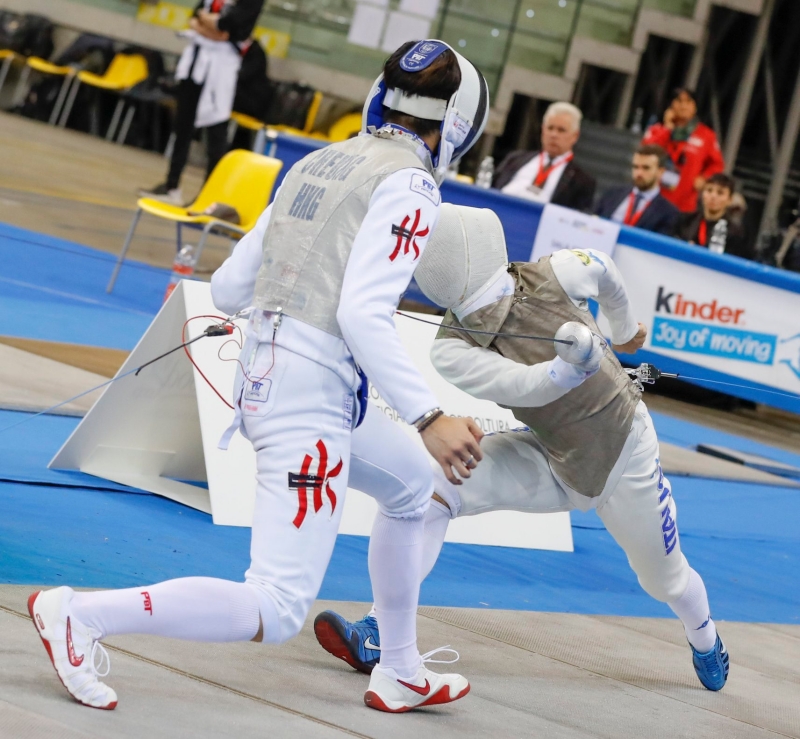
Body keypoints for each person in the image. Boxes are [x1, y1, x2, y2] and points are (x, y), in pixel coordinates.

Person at [27, 40, 490, 714]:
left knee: (414, 484)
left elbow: (229, 285)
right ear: (457, 127)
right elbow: (363, 312)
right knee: (276, 605)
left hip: (280, 378)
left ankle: (400, 667)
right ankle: (81, 613)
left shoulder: (318, 161)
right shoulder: (412, 184)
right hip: (312, 396)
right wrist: (430, 416)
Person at [314, 203, 730, 694]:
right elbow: (526, 386)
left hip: (623, 454)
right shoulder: (452, 346)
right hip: (551, 456)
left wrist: (622, 329)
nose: (495, 308)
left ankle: (705, 638)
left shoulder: (555, 270)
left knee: (665, 580)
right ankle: (383, 630)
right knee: (432, 491)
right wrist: (571, 366)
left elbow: (607, 270)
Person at [140, 0, 264, 205]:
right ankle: (171, 186)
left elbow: (226, 29)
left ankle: (209, 196)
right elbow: (195, 17)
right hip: (197, 63)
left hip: (221, 69)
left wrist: (207, 24)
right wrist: (208, 24)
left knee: (216, 131)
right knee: (183, 124)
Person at [492, 102, 596, 212]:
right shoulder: (515, 159)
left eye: (561, 130)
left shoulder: (582, 181)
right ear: (543, 130)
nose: (554, 135)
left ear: (575, 136)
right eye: (550, 128)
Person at [642, 88, 724, 213]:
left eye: (688, 101)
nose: (683, 105)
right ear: (670, 105)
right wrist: (667, 128)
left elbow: (717, 165)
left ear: (695, 107)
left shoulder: (706, 135)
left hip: (684, 203)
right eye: (679, 101)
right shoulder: (657, 129)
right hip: (650, 198)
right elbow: (645, 152)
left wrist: (705, 178)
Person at [595, 144, 679, 236]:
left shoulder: (668, 213)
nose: (639, 173)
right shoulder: (612, 194)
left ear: (660, 172)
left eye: (646, 168)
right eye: (635, 167)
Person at [676, 173, 749, 258]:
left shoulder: (736, 234)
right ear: (702, 194)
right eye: (709, 190)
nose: (713, 196)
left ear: (730, 200)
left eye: (720, 193)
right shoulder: (685, 221)